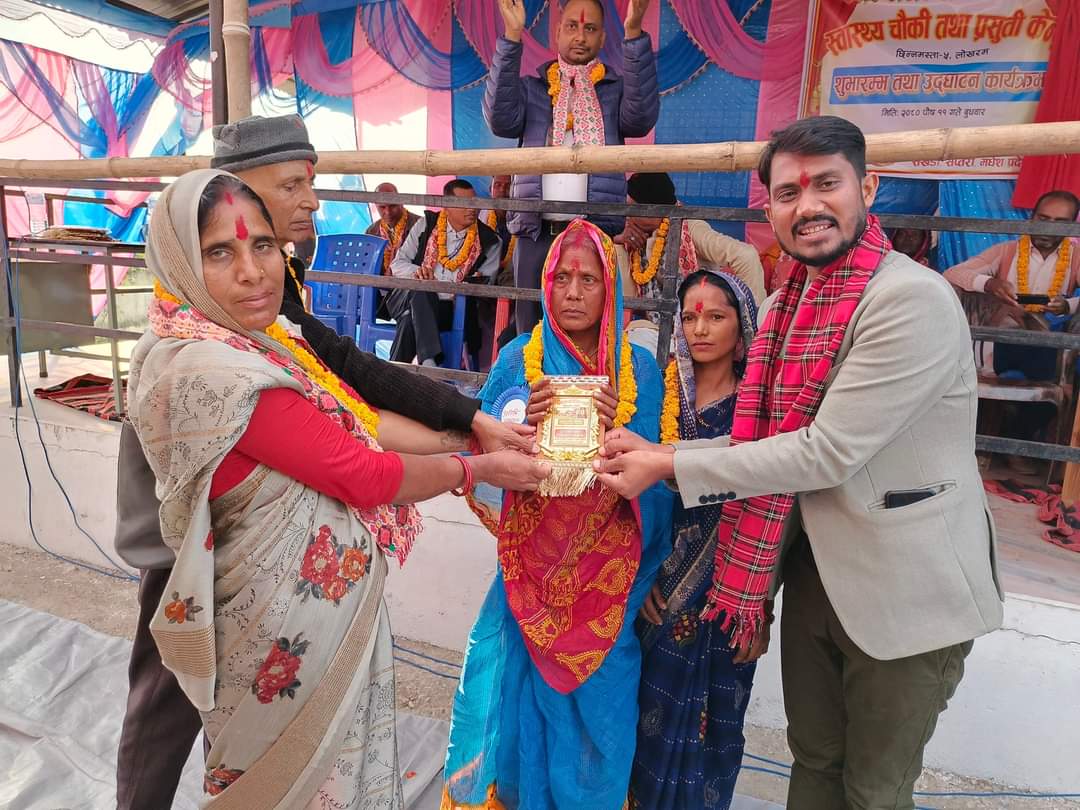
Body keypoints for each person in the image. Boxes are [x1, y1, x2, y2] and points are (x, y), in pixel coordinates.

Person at [113, 115, 532, 810]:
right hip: (192, 545)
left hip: (266, 562)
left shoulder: (260, 307)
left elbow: (342, 386)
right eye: (293, 185)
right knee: (177, 705)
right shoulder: (205, 347)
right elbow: (355, 462)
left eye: (261, 244)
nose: (311, 200)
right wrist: (473, 464)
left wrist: (469, 427)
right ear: (233, 190)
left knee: (239, 717)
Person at [593, 116, 1003, 809]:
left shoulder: (909, 300)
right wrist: (666, 453)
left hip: (907, 593)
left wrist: (668, 464)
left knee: (873, 792)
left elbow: (825, 450)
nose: (807, 206)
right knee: (813, 763)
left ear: (867, 187)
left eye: (826, 185)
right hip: (816, 576)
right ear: (771, 208)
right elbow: (768, 440)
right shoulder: (788, 305)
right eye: (788, 193)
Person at [442, 220, 673, 809]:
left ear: (609, 288)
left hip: (608, 582)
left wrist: (619, 429)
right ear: (545, 285)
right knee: (515, 696)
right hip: (531, 575)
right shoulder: (520, 359)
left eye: (588, 280)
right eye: (562, 278)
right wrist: (522, 415)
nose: (573, 292)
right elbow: (481, 459)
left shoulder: (638, 370)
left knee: (604, 705)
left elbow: (659, 482)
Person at [631, 270, 762, 810]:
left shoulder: (757, 409)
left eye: (716, 316)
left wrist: (760, 606)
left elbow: (771, 511)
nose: (700, 329)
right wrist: (642, 575)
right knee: (643, 721)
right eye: (689, 317)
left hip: (728, 595)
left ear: (742, 324)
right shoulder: (658, 393)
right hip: (656, 589)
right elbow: (632, 493)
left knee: (713, 731)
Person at [486, 0, 659, 334]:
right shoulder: (533, 88)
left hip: (593, 233)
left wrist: (634, 33)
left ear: (602, 37)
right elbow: (500, 120)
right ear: (557, 32)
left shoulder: (614, 91)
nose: (580, 36)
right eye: (572, 26)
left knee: (588, 331)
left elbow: (640, 119)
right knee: (530, 331)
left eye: (590, 28)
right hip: (536, 232)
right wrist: (512, 35)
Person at [943, 190, 1080, 473]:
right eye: (1043, 218)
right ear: (1031, 218)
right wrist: (990, 284)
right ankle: (1004, 441)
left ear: (1072, 225)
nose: (1048, 227)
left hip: (1046, 343)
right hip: (1000, 343)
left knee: (1063, 377)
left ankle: (1015, 437)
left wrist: (1067, 305)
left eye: (1059, 222)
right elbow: (953, 273)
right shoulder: (1006, 251)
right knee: (1050, 366)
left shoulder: (1075, 257)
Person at [615, 171, 765, 354]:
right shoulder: (635, 235)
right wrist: (619, 240)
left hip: (698, 331)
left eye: (633, 209)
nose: (628, 216)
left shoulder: (690, 228)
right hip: (656, 331)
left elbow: (745, 256)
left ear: (652, 209)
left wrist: (748, 326)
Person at [387, 178, 501, 367]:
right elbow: (397, 264)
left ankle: (399, 371)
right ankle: (429, 363)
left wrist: (465, 285)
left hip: (452, 309)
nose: (472, 209)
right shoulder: (426, 224)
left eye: (474, 202)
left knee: (409, 319)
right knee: (422, 290)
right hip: (407, 298)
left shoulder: (490, 241)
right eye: (464, 204)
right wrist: (419, 272)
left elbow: (486, 285)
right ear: (446, 206)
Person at [365, 181, 421, 276]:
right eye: (382, 207)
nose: (388, 212)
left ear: (401, 202)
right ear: (375, 205)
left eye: (393, 206)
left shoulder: (420, 225)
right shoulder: (371, 232)